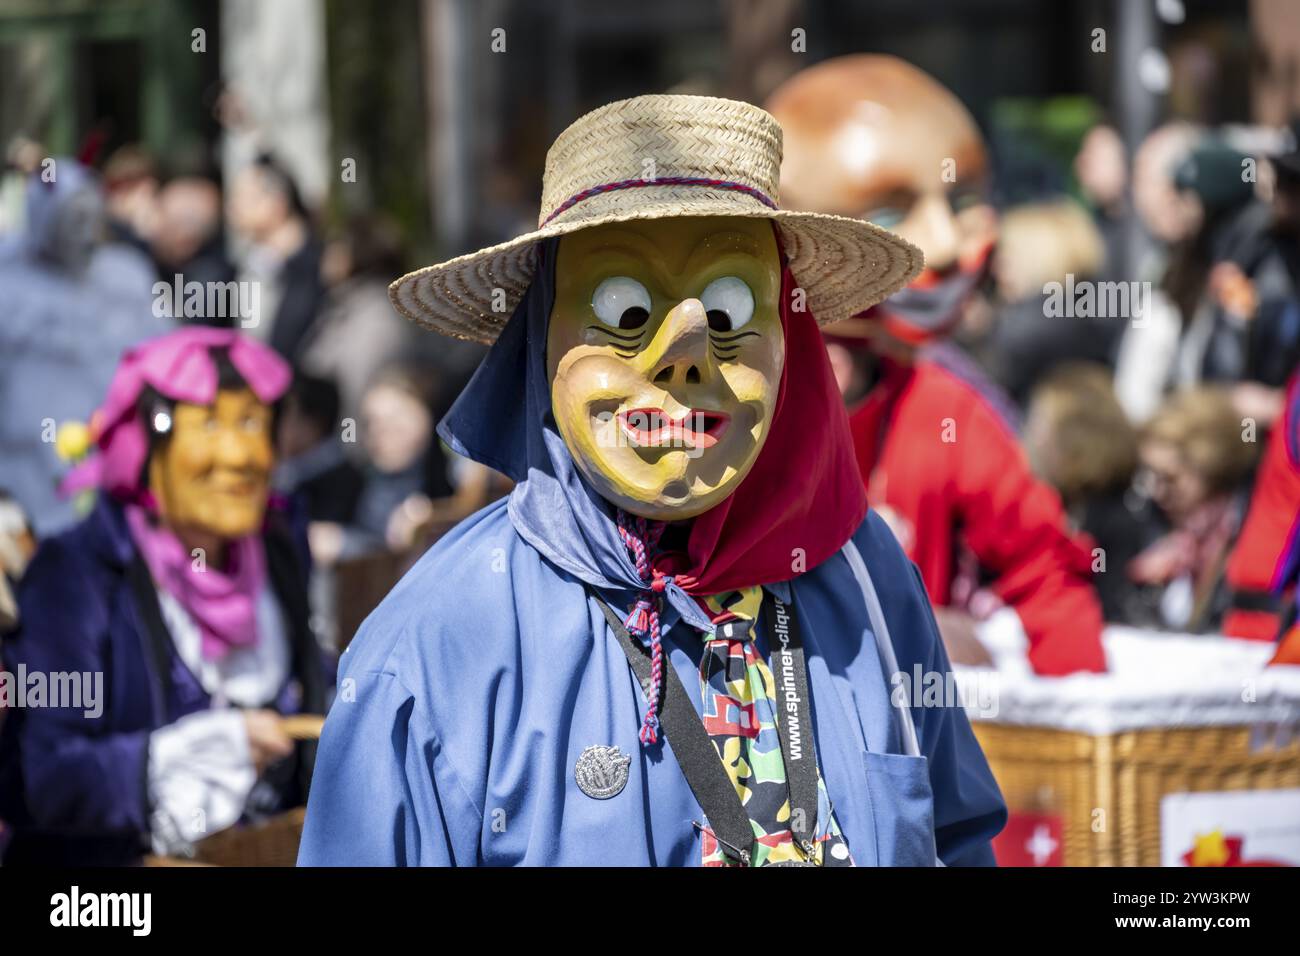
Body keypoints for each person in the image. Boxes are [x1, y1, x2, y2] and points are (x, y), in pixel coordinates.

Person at [299, 94, 1005, 867]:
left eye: (732, 306)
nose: (687, 350)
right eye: (624, 309)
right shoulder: (438, 642)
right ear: (542, 340)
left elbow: (956, 838)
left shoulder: (863, 574)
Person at [766, 55, 1106, 676]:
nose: (945, 244)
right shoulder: (735, 402)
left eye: (963, 200)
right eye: (892, 215)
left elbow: (1046, 575)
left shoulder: (945, 408)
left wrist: (1080, 730)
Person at [0, 328, 329, 865]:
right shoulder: (76, 576)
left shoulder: (278, 549)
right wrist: (170, 761)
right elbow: (41, 775)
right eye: (210, 423)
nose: (240, 454)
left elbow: (312, 675)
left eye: (251, 422)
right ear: (144, 446)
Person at [0, 158, 169, 535]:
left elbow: (165, 362)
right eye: (70, 218)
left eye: (88, 217)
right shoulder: (6, 275)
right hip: (22, 484)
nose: (82, 231)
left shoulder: (128, 275)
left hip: (119, 481)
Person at [1127, 387, 1258, 632]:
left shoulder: (1244, 535)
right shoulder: (1157, 533)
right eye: (1150, 476)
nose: (1157, 491)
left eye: (1170, 478)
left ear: (1212, 470)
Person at [228, 154, 325, 359]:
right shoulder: (249, 263)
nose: (232, 207)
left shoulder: (320, 267)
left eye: (242, 196)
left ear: (276, 202)